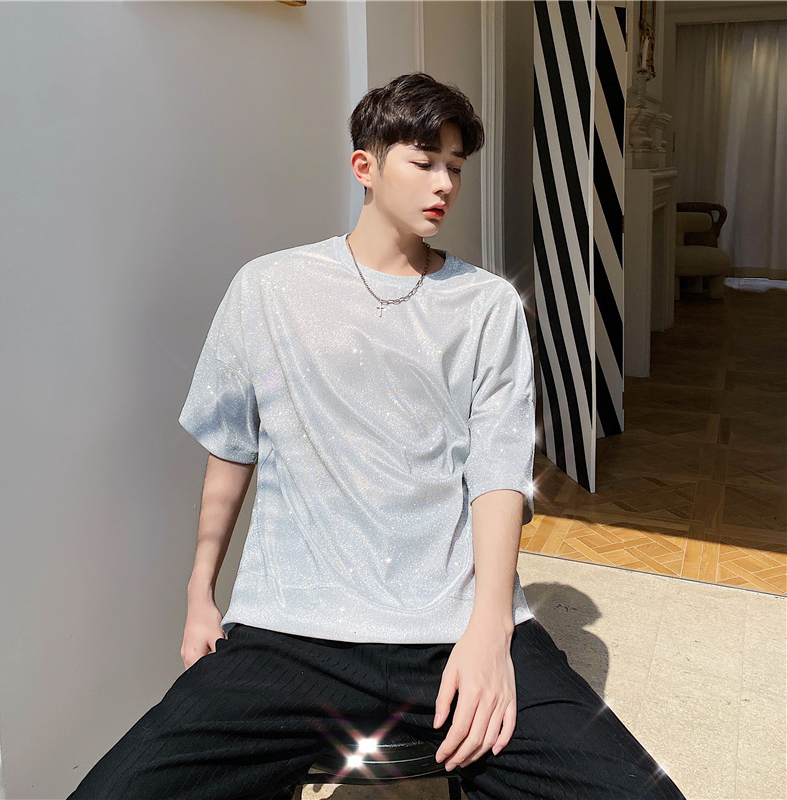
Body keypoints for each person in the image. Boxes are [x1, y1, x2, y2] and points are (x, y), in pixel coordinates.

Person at [69, 72, 684, 800]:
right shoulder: (268, 289)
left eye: (455, 166)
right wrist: (200, 593)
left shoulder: (487, 305)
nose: (445, 183)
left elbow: (497, 475)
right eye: (424, 162)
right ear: (365, 166)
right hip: (291, 630)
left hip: (452, 623)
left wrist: (490, 632)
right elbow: (231, 447)